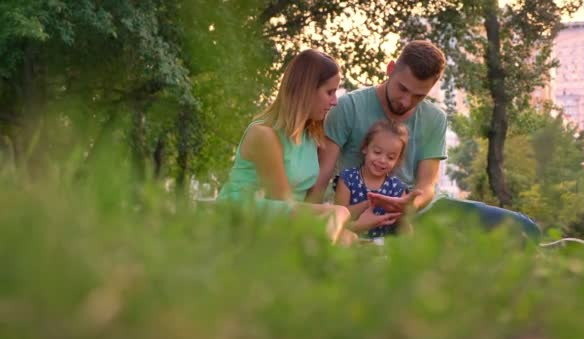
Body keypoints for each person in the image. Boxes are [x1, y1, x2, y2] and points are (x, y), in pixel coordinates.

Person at [309, 40, 540, 239]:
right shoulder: (349, 106)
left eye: (419, 95)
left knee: (525, 229)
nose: (406, 101)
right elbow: (323, 175)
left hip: (419, 211)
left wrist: (411, 204)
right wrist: (307, 225)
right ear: (390, 69)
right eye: (402, 89)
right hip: (361, 210)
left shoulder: (435, 118)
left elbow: (426, 185)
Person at [217, 49, 356, 245]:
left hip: (283, 214)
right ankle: (317, 258)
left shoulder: (310, 135)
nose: (334, 101)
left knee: (348, 238)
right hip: (246, 212)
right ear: (306, 91)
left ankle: (320, 252)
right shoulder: (264, 134)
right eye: (329, 92)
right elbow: (282, 201)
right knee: (340, 213)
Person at [334, 120, 407, 242]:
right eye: (377, 152)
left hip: (383, 249)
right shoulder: (348, 179)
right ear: (365, 148)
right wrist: (369, 203)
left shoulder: (397, 188)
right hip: (348, 242)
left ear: (398, 161)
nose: (382, 160)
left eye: (391, 157)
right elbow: (337, 219)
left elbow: (404, 226)